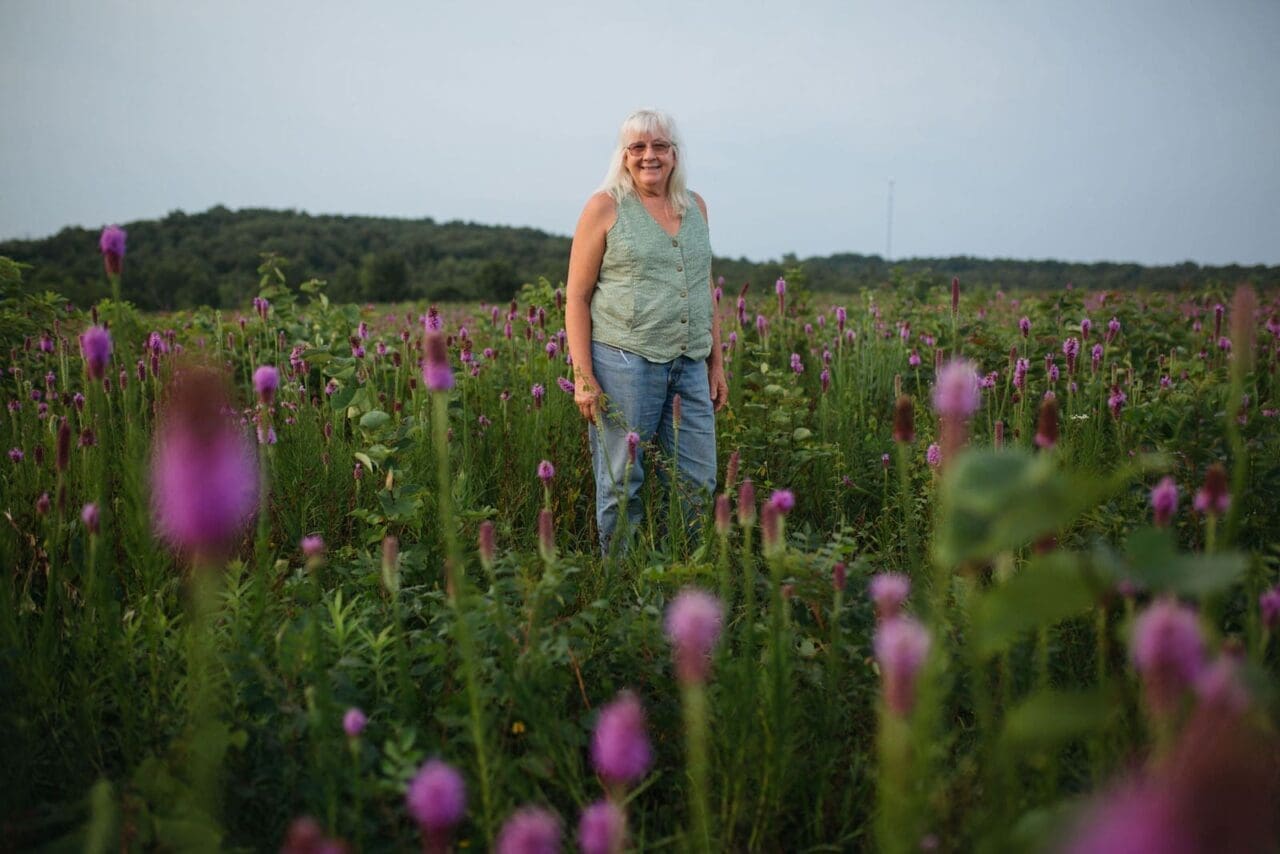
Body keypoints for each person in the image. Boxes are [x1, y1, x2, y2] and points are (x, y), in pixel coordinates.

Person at [565, 109, 728, 555]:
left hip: (690, 366)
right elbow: (576, 298)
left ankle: (688, 576)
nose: (649, 156)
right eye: (637, 147)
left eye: (659, 146)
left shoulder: (695, 206)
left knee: (698, 481)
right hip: (624, 363)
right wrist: (583, 376)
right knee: (622, 481)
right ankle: (622, 589)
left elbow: (702, 285)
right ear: (624, 155)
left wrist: (717, 362)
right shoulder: (605, 206)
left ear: (674, 154)